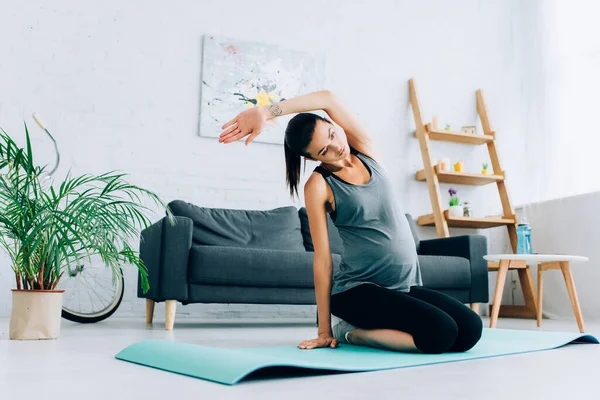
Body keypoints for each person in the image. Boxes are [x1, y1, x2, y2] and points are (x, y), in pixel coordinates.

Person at [218, 90, 483, 354]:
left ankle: (374, 327)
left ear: (334, 125)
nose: (337, 147)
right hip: (357, 292)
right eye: (324, 150)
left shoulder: (366, 150)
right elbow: (322, 260)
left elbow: (327, 99)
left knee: (471, 329)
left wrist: (265, 111)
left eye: (332, 135)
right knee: (441, 333)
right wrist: (323, 331)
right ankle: (349, 333)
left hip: (403, 286)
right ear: (312, 158)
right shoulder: (319, 184)